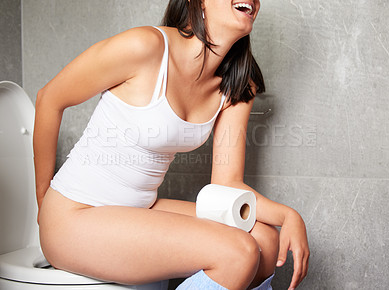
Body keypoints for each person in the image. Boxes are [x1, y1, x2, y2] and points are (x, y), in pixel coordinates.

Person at [34, 0, 309, 289]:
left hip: (140, 208)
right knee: (238, 253)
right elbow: (49, 98)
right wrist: (43, 203)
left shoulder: (238, 84)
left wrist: (288, 216)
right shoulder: (146, 47)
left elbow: (227, 184)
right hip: (74, 215)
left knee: (265, 240)